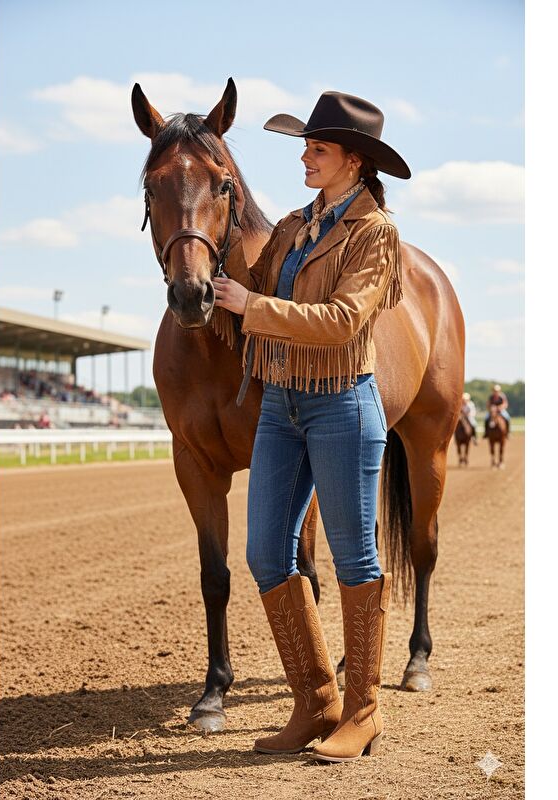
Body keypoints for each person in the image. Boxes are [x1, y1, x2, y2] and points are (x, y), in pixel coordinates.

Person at [214, 91, 410, 762]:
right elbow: (249, 279)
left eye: (317, 149)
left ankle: (363, 712)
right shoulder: (296, 225)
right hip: (281, 406)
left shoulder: (376, 232)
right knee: (267, 552)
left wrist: (253, 305)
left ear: (352, 162)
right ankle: (315, 701)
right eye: (306, 146)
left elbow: (343, 320)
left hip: (341, 405)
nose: (305, 155)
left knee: (355, 559)